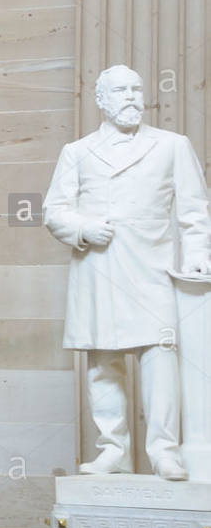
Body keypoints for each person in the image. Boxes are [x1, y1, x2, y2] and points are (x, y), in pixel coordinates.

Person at [44, 64, 211, 479]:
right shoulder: (78, 151)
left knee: (161, 360)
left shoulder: (172, 145)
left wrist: (197, 255)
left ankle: (164, 451)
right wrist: (84, 227)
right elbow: (54, 210)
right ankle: (113, 450)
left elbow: (194, 210)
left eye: (136, 89)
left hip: (154, 268)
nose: (132, 97)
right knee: (103, 363)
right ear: (101, 100)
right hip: (99, 268)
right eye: (121, 91)